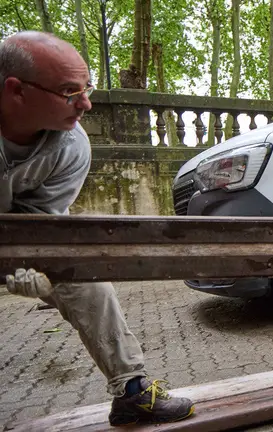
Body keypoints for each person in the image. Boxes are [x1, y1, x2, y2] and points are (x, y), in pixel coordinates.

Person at [0, 31, 195, 426]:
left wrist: (35, 269)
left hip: (22, 238)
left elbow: (41, 224)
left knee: (88, 277)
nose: (86, 104)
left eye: (86, 88)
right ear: (16, 90)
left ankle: (131, 392)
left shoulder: (71, 146)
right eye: (69, 92)